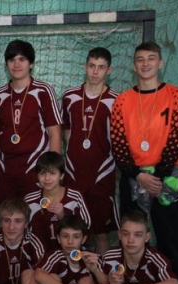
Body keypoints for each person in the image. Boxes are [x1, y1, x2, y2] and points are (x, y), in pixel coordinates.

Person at [110, 41, 178, 284]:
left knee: (170, 239)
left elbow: (175, 139)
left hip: (167, 178)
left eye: (151, 58)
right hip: (134, 178)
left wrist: (157, 178)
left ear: (160, 63)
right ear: (133, 65)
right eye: (140, 59)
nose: (146, 63)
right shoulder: (122, 101)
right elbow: (119, 145)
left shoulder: (176, 95)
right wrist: (138, 175)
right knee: (130, 240)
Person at [0, 40, 62, 207]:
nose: (16, 64)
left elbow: (55, 134)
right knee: (7, 219)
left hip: (35, 171)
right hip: (5, 172)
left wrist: (51, 174)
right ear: (6, 64)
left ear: (31, 64)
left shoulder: (43, 91)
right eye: (12, 60)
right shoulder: (0, 94)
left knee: (34, 219)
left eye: (22, 59)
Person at [61, 47, 120, 255]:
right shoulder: (69, 96)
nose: (95, 72)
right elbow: (66, 131)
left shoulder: (116, 100)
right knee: (72, 231)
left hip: (102, 175)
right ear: (85, 66)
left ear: (109, 70)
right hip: (74, 173)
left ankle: (101, 273)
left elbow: (118, 140)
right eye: (92, 66)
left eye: (101, 67)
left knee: (101, 233)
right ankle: (73, 271)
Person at [24, 151, 91, 253]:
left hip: (69, 256)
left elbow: (86, 228)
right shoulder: (30, 200)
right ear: (37, 175)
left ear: (61, 175)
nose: (47, 178)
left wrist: (63, 217)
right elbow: (23, 232)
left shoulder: (75, 197)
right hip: (39, 256)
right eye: (42, 173)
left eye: (52, 173)